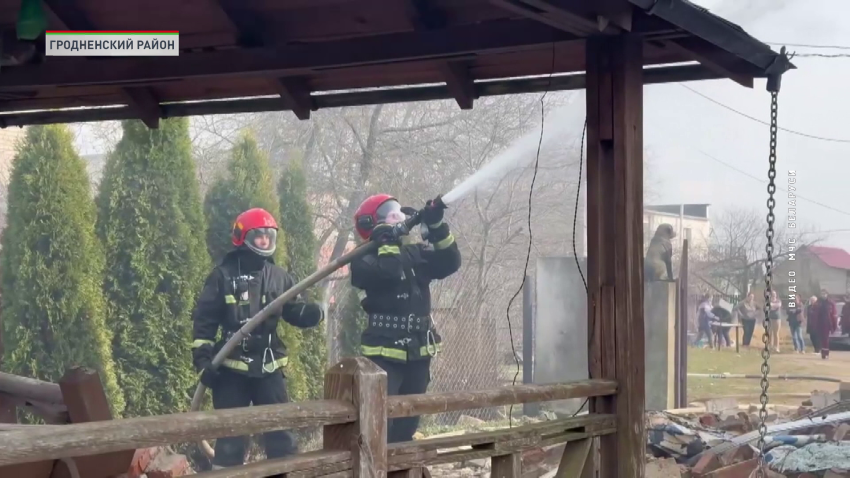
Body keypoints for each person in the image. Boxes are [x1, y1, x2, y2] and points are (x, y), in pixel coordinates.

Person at [191, 208, 324, 469]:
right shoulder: (222, 277)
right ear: (243, 237)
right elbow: (204, 323)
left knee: (281, 437)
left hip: (268, 368)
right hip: (231, 371)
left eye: (269, 235)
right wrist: (203, 361)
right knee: (230, 440)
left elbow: (292, 310)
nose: (265, 241)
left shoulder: (279, 276)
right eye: (259, 235)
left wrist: (311, 314)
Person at [350, 194, 461, 443]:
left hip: (418, 350)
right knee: (380, 424)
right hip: (383, 353)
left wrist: (436, 226)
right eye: (390, 213)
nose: (399, 216)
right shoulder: (362, 259)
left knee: (409, 421)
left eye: (399, 211)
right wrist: (386, 241)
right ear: (372, 223)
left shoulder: (414, 253)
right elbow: (389, 272)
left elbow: (450, 262)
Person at [812, 289, 838, 359]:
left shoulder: (830, 303)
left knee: (825, 339)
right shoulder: (818, 302)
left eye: (824, 293)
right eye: (822, 293)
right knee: (821, 339)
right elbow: (814, 313)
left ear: (827, 294)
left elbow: (834, 314)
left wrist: (834, 325)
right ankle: (823, 352)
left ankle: (825, 353)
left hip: (827, 323)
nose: (823, 295)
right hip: (819, 323)